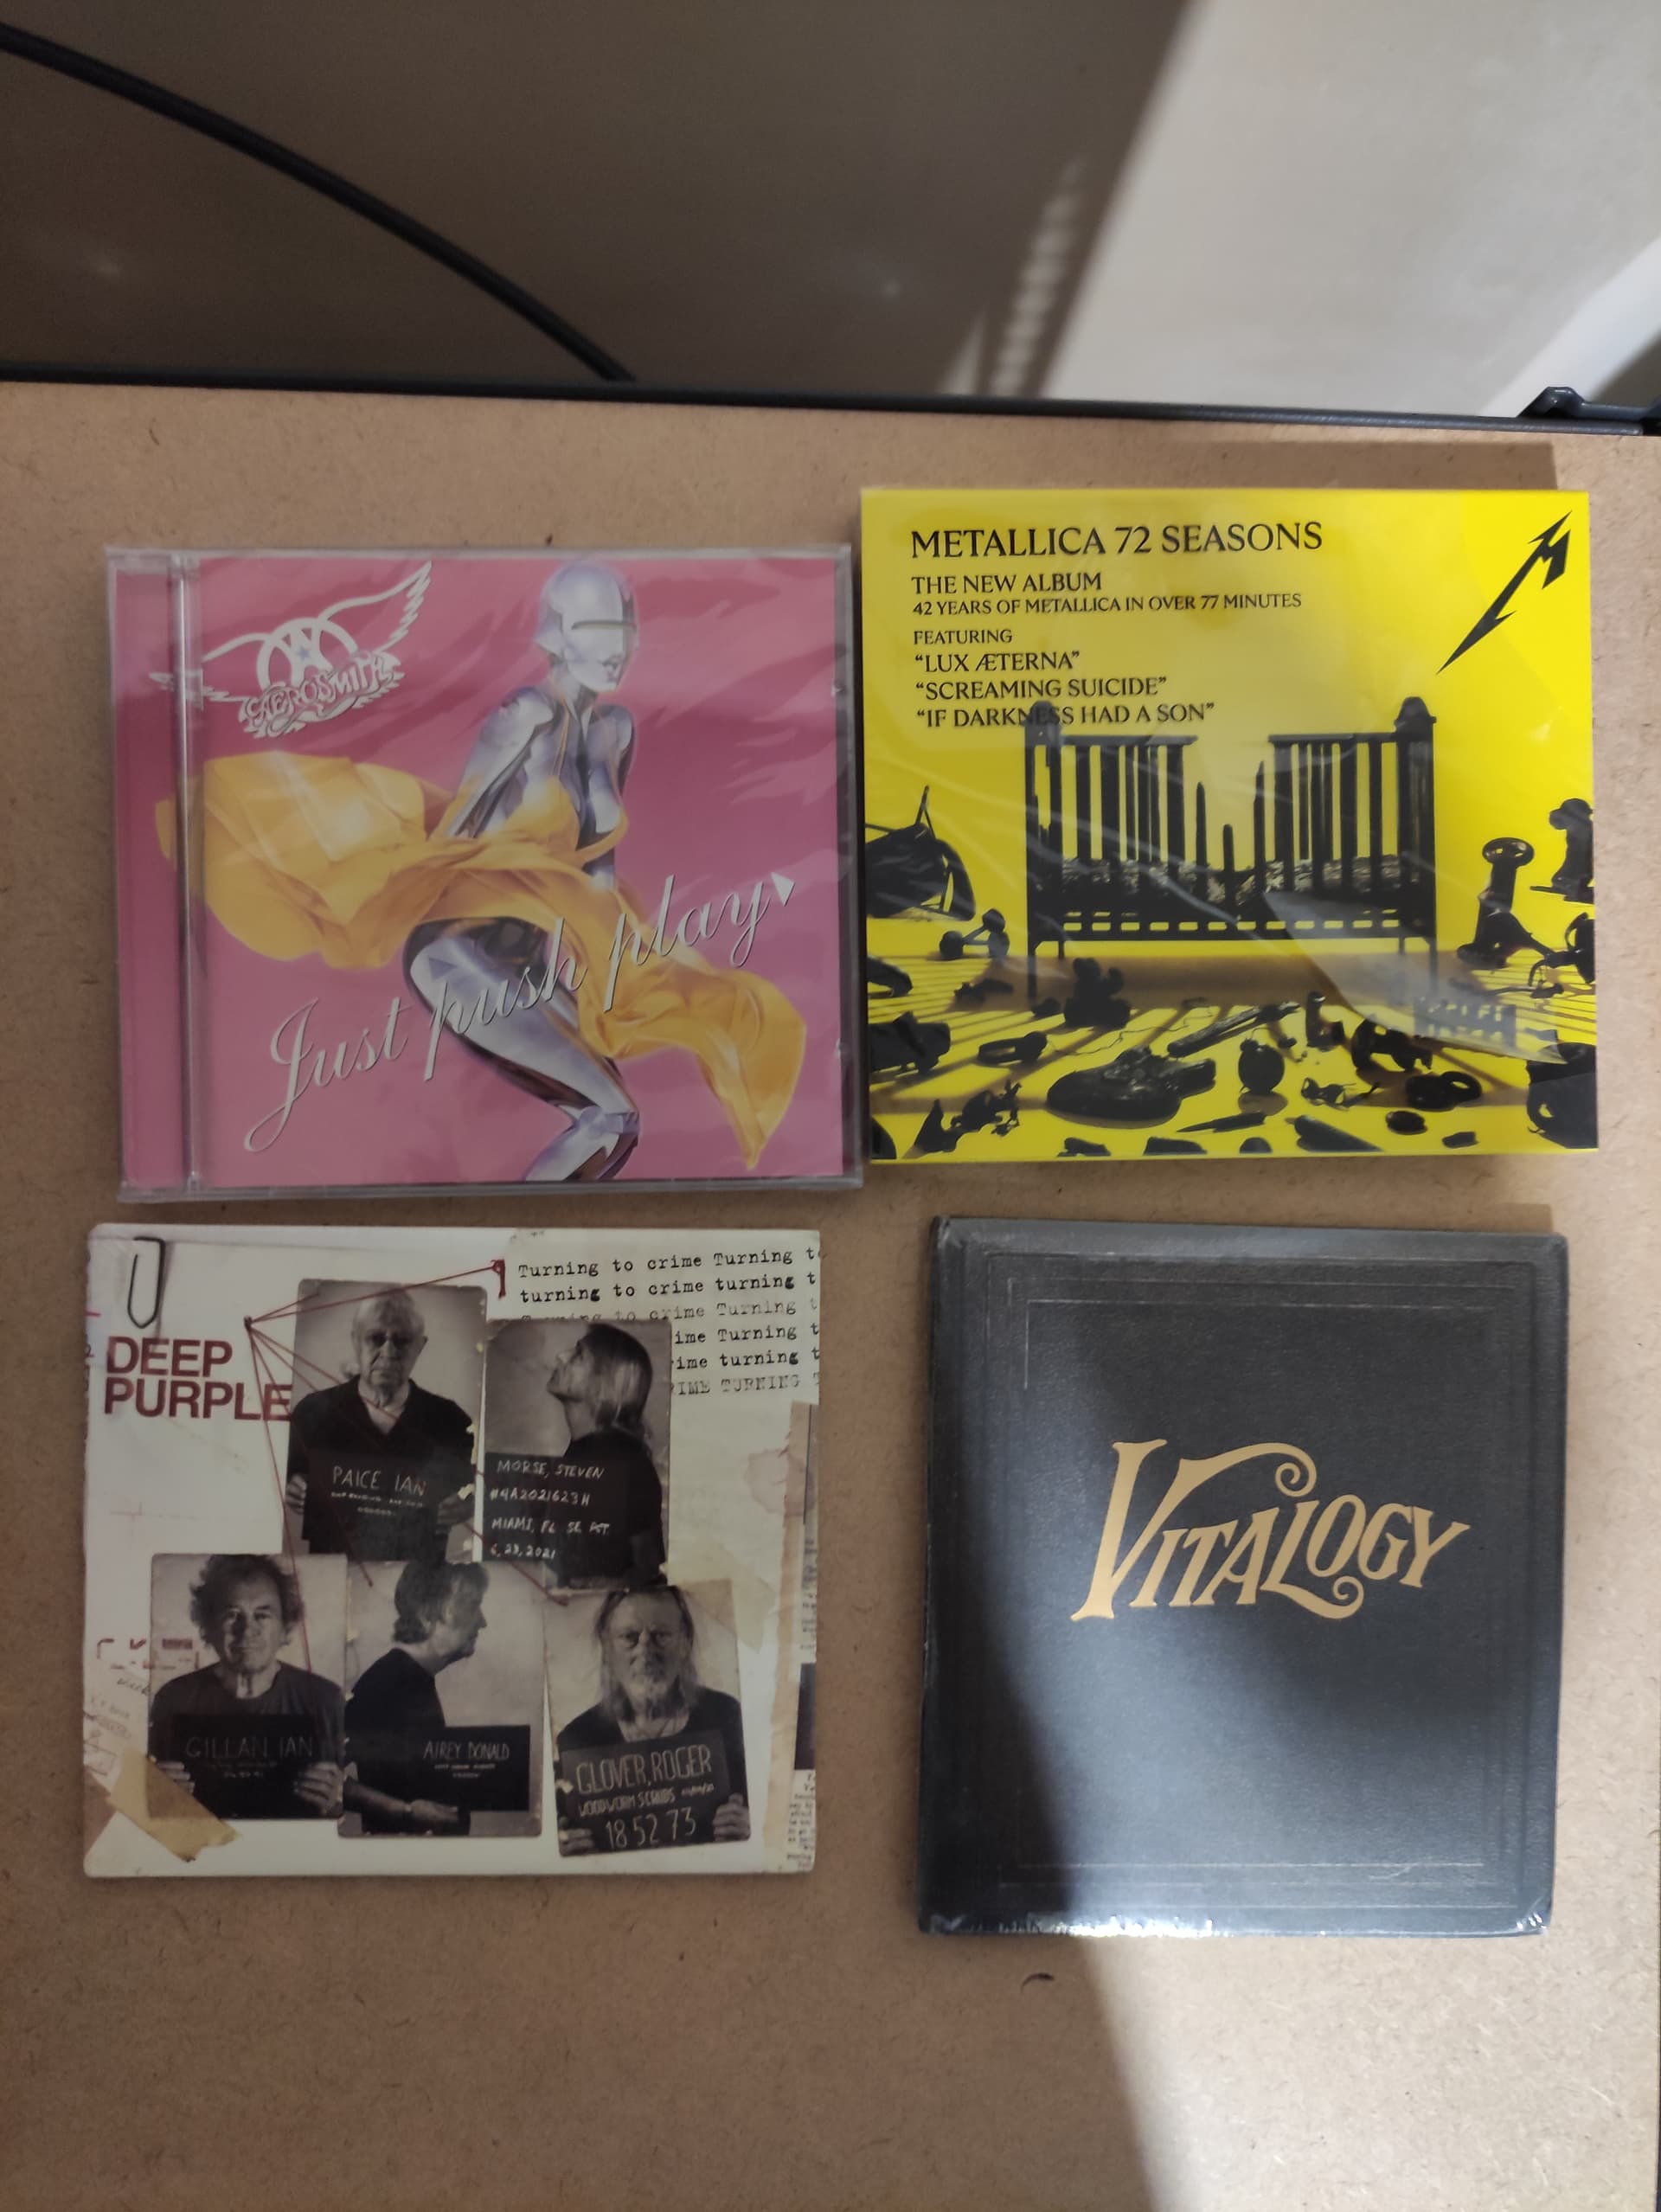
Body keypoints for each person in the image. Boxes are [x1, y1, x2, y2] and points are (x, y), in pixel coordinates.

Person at [155, 558, 805, 1183]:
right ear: (557, 636)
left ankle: (528, 1242)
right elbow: (459, 830)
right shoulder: (524, 715)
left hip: (528, 961)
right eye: (595, 629)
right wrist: (356, 884)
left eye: (624, 630)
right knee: (610, 1117)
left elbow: (597, 869)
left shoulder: (617, 730)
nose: (614, 649)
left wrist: (620, 970)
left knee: (618, 1120)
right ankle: (521, 1244)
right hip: (457, 952)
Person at [148, 1555, 345, 1820]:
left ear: (285, 1626)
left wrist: (338, 1804)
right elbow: (151, 1815)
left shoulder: (326, 1700)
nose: (247, 1630)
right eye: (232, 1615)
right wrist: (154, 1797)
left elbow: (349, 1816)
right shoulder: (174, 1699)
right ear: (208, 1626)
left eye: (262, 1615)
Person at [555, 1587, 748, 1853]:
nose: (645, 1651)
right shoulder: (575, 1740)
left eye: (661, 1636)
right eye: (629, 1637)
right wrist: (564, 1850)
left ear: (685, 1643)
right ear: (607, 1647)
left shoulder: (727, 1716)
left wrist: (748, 1828)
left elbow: (766, 1813)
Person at [285, 1288, 475, 1557]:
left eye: (402, 1341)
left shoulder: (452, 1421)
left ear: (420, 1346)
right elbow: (276, 1471)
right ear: (356, 1341)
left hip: (416, 1573)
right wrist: (292, 1485)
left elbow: (476, 1488)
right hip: (333, 1570)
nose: (388, 1352)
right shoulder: (313, 1412)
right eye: (376, 1339)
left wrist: (469, 1503)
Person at [343, 1560, 489, 1835]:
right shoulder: (384, 1683)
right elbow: (314, 1771)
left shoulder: (411, 1677)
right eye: (472, 1606)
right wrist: (404, 1811)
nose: (483, 1621)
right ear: (426, 1616)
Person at [536, 1323, 665, 1587]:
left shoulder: (620, 1461)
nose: (561, 1356)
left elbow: (650, 1570)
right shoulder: (590, 1451)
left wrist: (597, 1587)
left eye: (578, 1356)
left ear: (604, 1386)